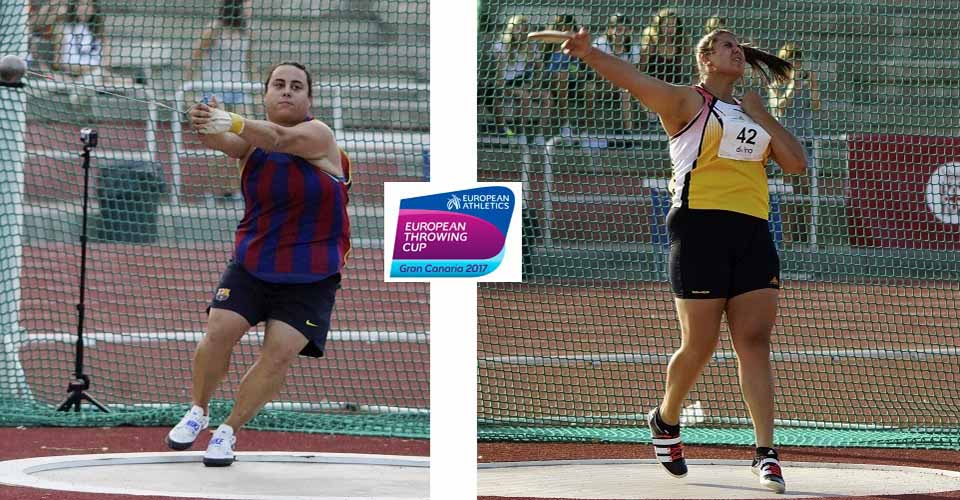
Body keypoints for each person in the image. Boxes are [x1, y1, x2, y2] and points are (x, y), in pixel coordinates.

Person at [562, 28, 806, 493]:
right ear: (706, 59)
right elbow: (633, 79)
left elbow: (796, 164)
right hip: (699, 228)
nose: (737, 51)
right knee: (700, 344)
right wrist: (590, 53)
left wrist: (763, 116)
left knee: (754, 341)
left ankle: (766, 453)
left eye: (739, 46)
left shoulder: (751, 111)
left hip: (753, 230)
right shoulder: (686, 101)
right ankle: (666, 417)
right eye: (727, 46)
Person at [166, 61, 352, 467]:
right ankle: (198, 411)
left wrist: (231, 120)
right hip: (254, 261)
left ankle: (228, 430)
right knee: (219, 331)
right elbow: (223, 139)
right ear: (265, 95)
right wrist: (205, 118)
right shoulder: (250, 143)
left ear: (309, 99)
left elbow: (280, 138)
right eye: (278, 85)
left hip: (311, 272)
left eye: (296, 86)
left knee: (278, 354)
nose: (286, 91)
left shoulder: (319, 135)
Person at [185, 0, 254, 201]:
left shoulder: (247, 32)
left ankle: (235, 189)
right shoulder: (214, 29)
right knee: (221, 138)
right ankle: (214, 190)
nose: (250, 7)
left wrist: (256, 92)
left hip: (240, 89)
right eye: (247, 3)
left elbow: (249, 64)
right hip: (214, 88)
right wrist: (188, 91)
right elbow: (194, 59)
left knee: (249, 137)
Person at [767, 42, 820, 246]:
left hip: (804, 140)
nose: (795, 64)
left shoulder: (805, 81)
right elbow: (779, 107)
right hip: (783, 141)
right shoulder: (776, 83)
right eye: (791, 61)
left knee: (805, 189)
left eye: (798, 60)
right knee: (786, 189)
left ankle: (807, 237)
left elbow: (816, 106)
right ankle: (787, 237)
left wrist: (813, 86)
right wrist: (792, 87)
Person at [590, 13, 640, 132]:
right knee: (589, 89)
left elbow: (634, 73)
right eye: (618, 29)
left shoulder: (633, 48)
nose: (622, 33)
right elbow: (595, 71)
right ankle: (589, 129)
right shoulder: (600, 44)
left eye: (625, 30)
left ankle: (629, 132)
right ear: (610, 29)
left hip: (623, 85)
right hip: (601, 84)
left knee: (626, 92)